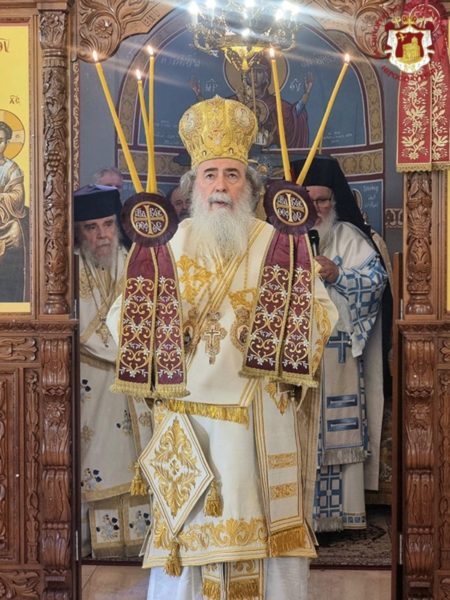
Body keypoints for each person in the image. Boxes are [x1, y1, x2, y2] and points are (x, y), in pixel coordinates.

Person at [108, 96, 338, 599]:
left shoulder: (279, 243)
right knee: (189, 532)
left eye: (232, 175)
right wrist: (162, 325)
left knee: (264, 534)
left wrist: (277, 334)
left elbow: (322, 315)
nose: (220, 186)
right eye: (210, 175)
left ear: (249, 187)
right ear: (193, 186)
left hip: (258, 415)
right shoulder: (166, 246)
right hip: (190, 419)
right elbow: (121, 319)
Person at [291, 155, 389, 532]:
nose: (316, 208)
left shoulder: (350, 237)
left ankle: (339, 518)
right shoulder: (279, 239)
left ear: (334, 201)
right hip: (294, 357)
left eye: (323, 200)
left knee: (336, 434)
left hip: (338, 354)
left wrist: (338, 274)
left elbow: (376, 283)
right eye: (308, 200)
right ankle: (296, 519)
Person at [74, 184, 151, 559]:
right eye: (91, 227)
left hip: (135, 383)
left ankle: (143, 542)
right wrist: (131, 350)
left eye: (107, 224)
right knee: (97, 460)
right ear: (79, 232)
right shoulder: (69, 268)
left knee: (137, 460)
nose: (102, 235)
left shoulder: (138, 262)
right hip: (94, 386)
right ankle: (94, 544)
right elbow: (85, 331)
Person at [0, 120, 27, 301]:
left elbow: (17, 196)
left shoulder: (12, 169)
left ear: (7, 142)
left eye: (0, 140)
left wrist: (2, 197)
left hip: (5, 222)